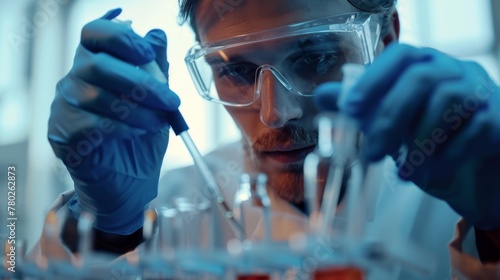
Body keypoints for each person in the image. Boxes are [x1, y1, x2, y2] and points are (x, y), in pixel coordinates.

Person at [26, 0, 500, 279]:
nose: (276, 111)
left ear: (386, 41)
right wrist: (110, 229)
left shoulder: (465, 189)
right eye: (235, 70)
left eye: (313, 59)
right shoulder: (172, 209)